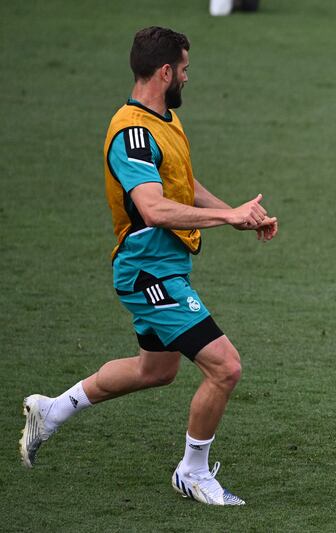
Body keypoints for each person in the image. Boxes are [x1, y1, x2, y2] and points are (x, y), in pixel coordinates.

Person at [19, 27, 278, 505]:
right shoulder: (132, 134)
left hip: (166, 267)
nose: (186, 77)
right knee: (226, 368)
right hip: (148, 274)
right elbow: (155, 208)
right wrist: (227, 216)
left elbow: (181, 181)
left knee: (155, 370)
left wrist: (236, 213)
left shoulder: (164, 120)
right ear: (165, 71)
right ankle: (192, 472)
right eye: (183, 69)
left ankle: (53, 410)